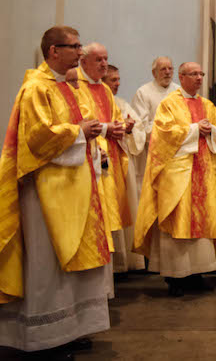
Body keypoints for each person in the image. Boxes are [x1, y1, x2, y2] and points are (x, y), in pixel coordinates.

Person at [0, 26, 112, 359]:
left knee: (76, 263)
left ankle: (72, 329)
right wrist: (80, 132)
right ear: (53, 51)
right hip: (46, 193)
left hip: (76, 186)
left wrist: (93, 135)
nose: (80, 52)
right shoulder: (36, 89)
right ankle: (44, 339)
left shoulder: (69, 86)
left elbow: (83, 124)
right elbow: (37, 137)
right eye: (75, 46)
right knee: (48, 264)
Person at [134, 62, 216, 297]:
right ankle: (175, 277)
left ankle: (196, 274)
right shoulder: (169, 104)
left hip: (203, 173)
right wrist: (195, 129)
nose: (198, 78)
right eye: (193, 74)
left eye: (201, 74)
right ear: (182, 77)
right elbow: (162, 136)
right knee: (177, 223)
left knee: (200, 225)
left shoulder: (207, 104)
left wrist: (212, 131)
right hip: (178, 176)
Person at [75, 44, 134, 278]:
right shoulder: (77, 87)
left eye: (106, 59)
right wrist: (109, 129)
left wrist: (121, 127)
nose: (103, 64)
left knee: (109, 214)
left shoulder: (105, 90)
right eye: (98, 59)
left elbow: (114, 120)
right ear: (84, 62)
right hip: (90, 158)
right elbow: (79, 122)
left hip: (109, 158)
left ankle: (109, 279)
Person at [103, 65, 147, 272]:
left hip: (122, 163)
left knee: (126, 207)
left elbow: (138, 130)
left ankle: (126, 261)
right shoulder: (94, 102)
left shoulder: (122, 104)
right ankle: (112, 264)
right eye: (113, 80)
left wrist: (129, 130)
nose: (118, 83)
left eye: (118, 79)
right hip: (104, 165)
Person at [130, 56, 179, 192]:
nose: (167, 72)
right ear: (154, 73)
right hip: (152, 153)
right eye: (163, 69)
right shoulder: (143, 93)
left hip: (176, 154)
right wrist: (167, 130)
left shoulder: (179, 92)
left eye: (170, 69)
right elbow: (140, 127)